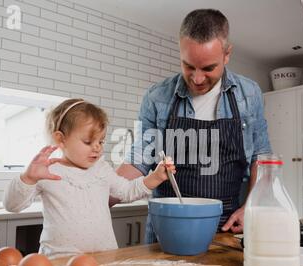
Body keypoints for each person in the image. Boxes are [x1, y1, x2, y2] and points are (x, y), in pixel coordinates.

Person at [113, 9, 271, 243]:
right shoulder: (157, 97)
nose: (197, 79)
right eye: (188, 66)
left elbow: (261, 156)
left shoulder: (249, 94)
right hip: (166, 224)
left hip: (226, 227)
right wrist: (96, 192)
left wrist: (251, 207)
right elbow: (140, 158)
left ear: (227, 55)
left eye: (208, 68)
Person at [3, 98, 175, 258]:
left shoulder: (101, 168)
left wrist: (156, 176)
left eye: (101, 141)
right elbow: (12, 205)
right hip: (60, 261)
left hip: (103, 259)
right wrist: (28, 178)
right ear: (60, 140)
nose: (97, 148)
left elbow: (128, 190)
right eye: (88, 142)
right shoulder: (48, 171)